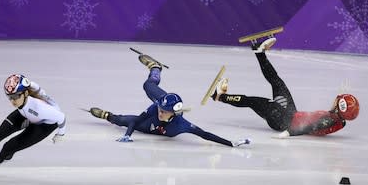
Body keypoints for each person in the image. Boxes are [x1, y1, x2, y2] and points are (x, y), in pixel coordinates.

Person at [88, 53, 250, 147]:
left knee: (120, 119)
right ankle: (155, 68)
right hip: (156, 108)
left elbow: (205, 135)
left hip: (149, 128)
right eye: (160, 109)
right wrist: (128, 135)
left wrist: (231, 143)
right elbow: (137, 120)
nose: (160, 112)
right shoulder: (156, 108)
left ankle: (107, 115)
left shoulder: (183, 125)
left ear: (173, 113)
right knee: (147, 85)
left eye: (164, 112)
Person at [210, 37, 360, 137]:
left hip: (281, 120)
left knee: (253, 101)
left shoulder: (329, 121)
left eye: (338, 100)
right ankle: (259, 52)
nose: (336, 99)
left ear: (338, 108)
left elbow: (308, 127)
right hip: (290, 113)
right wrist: (343, 94)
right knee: (277, 82)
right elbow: (327, 120)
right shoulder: (339, 119)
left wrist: (288, 133)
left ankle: (218, 96)